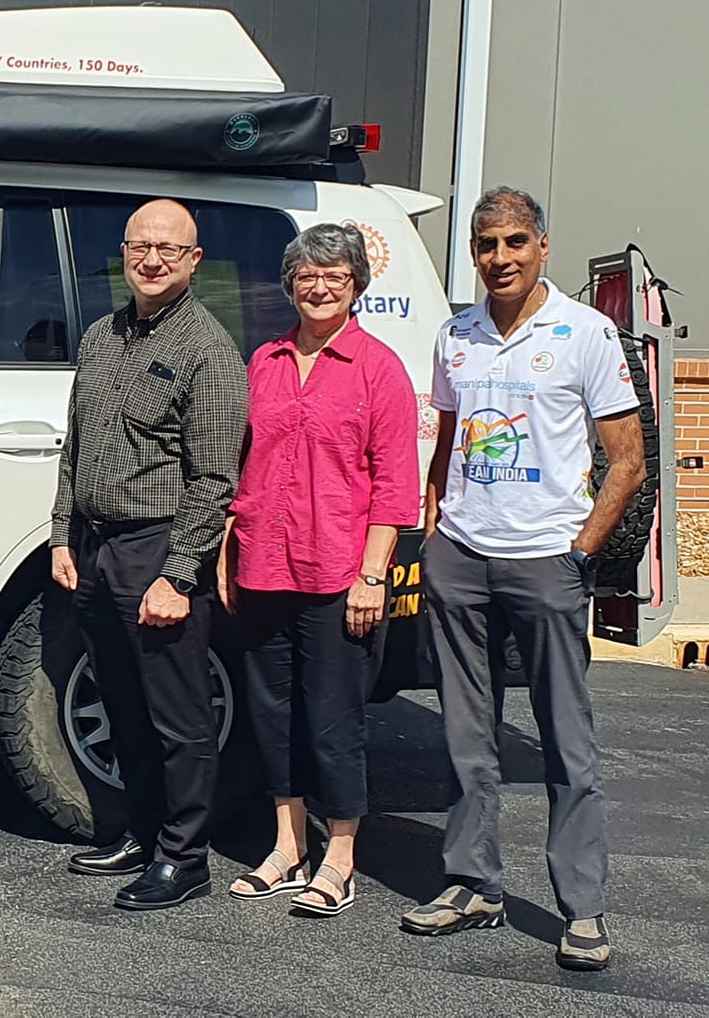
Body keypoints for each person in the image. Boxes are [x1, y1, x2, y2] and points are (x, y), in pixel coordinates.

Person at [400, 187, 643, 971]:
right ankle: (474, 883)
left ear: (542, 244)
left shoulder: (586, 332)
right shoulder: (457, 334)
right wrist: (437, 531)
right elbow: (444, 441)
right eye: (484, 244)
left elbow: (628, 461)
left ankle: (583, 906)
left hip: (548, 560)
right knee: (466, 734)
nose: (498, 257)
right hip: (463, 557)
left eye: (513, 241)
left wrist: (580, 553)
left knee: (566, 740)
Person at [51, 198, 250, 910]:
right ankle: (138, 830)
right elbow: (74, 445)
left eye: (170, 248)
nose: (154, 258)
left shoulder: (209, 350)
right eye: (142, 245)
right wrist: (59, 535)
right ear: (125, 252)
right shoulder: (102, 336)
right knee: (122, 703)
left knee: (178, 716)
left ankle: (184, 855)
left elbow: (215, 479)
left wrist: (179, 571)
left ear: (194, 260)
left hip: (156, 547)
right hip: (96, 548)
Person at [219, 223, 420, 916]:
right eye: (307, 274)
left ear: (357, 282)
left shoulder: (378, 368)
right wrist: (227, 548)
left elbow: (396, 485)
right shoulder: (265, 360)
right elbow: (243, 463)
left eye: (334, 273)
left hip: (339, 573)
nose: (320, 285)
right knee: (272, 715)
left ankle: (340, 855)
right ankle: (286, 844)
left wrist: (372, 575)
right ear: (290, 285)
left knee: (333, 720)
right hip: (264, 563)